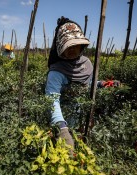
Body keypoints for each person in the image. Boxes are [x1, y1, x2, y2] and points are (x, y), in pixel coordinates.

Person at [45, 16, 93, 154]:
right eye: (68, 45)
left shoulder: (86, 64)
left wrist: (102, 84)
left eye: (75, 45)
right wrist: (62, 129)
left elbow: (88, 86)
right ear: (61, 47)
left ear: (81, 45)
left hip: (80, 118)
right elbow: (52, 100)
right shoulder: (56, 72)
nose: (72, 49)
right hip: (62, 120)